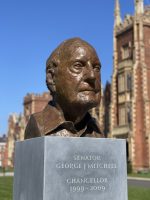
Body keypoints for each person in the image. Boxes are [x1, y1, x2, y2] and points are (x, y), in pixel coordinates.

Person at [24, 38, 103, 139]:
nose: (92, 76)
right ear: (52, 78)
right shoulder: (38, 126)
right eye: (78, 66)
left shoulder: (97, 130)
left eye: (96, 68)